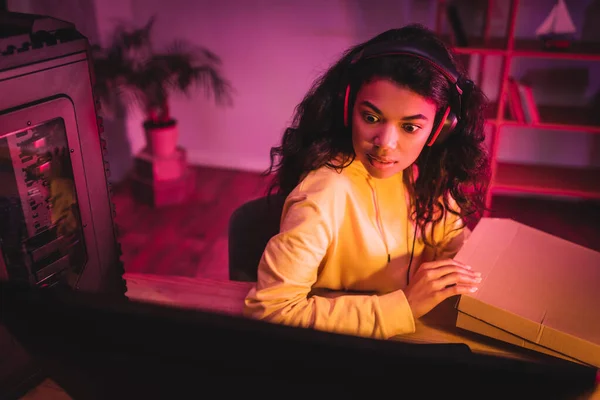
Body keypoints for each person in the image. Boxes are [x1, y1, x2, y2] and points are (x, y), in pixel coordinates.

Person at [243, 24, 490, 340]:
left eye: (410, 128)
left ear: (441, 128)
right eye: (371, 118)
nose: (385, 144)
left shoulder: (426, 177)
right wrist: (405, 306)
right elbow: (269, 311)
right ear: (347, 108)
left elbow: (455, 249)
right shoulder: (323, 193)